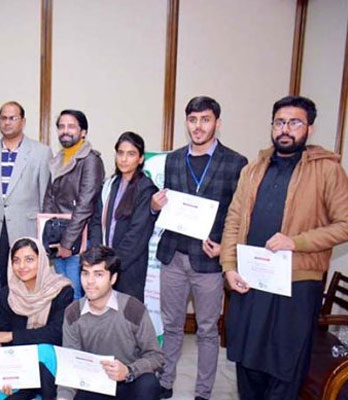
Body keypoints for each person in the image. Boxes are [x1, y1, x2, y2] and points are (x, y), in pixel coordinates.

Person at [220, 95, 348, 399]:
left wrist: (296, 242)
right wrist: (228, 267)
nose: (285, 129)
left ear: (310, 128)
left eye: (294, 122)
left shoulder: (327, 170)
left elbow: (345, 223)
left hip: (297, 286)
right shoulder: (253, 169)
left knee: (285, 366)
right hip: (251, 281)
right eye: (279, 122)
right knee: (247, 361)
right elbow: (234, 220)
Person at [151, 96, 247, 400]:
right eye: (192, 120)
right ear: (186, 122)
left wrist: (225, 247)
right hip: (173, 256)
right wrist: (155, 206)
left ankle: (203, 392)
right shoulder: (174, 159)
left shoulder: (236, 162)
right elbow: (167, 204)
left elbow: (241, 214)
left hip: (209, 261)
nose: (198, 126)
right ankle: (165, 383)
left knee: (206, 330)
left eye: (205, 119)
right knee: (172, 325)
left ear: (217, 123)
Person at [58, 245, 163, 400]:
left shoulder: (132, 308)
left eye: (98, 274)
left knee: (149, 383)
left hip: (129, 381)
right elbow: (70, 365)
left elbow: (156, 357)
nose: (90, 281)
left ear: (113, 278)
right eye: (85, 274)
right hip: (94, 385)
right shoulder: (73, 313)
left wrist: (129, 371)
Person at [0, 102, 52, 286]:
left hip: (26, 230)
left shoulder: (41, 152)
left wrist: (45, 236)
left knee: (25, 287)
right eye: (3, 118)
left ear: (23, 121)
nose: (7, 122)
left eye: (12, 118)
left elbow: (46, 197)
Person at [0, 237, 73, 400]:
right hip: (20, 362)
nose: (22, 266)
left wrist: (14, 336)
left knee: (42, 350)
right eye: (16, 260)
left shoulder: (62, 290)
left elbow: (57, 333)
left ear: (41, 260)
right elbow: (1, 334)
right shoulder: (8, 294)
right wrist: (6, 372)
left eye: (29, 260)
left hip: (51, 363)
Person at [43, 109, 105, 299]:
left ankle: (76, 330)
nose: (65, 131)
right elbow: (49, 198)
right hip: (58, 239)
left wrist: (67, 242)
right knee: (63, 294)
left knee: (76, 296)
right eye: (61, 126)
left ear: (83, 132)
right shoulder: (58, 159)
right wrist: (47, 234)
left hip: (78, 242)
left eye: (71, 126)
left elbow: (85, 205)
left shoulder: (90, 160)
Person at [99, 132, 157, 302]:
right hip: (105, 264)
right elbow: (97, 220)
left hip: (129, 267)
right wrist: (100, 257)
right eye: (120, 153)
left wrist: (114, 263)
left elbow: (137, 233)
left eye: (131, 154)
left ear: (140, 159)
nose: (124, 159)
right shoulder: (110, 184)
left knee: (127, 318)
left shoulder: (146, 188)